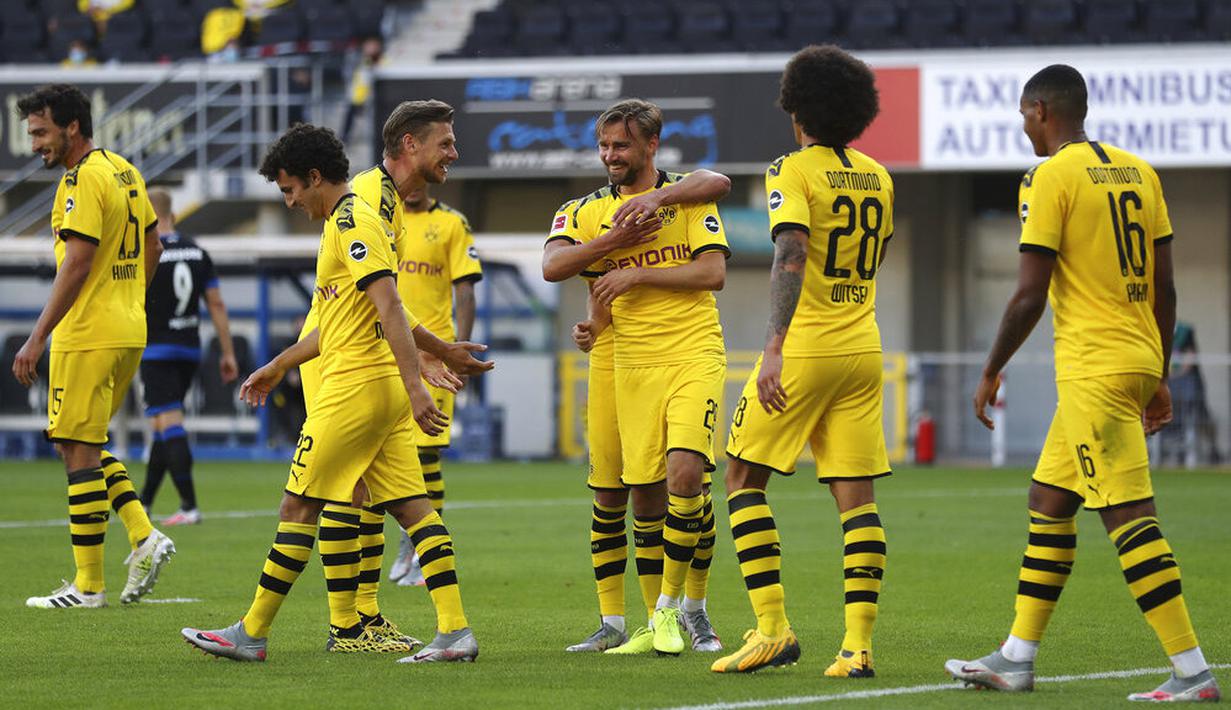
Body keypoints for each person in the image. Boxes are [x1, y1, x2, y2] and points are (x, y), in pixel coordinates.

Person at [945, 64, 1221, 703]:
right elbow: (1167, 287)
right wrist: (1154, 371)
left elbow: (1028, 294)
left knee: (1129, 517)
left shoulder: (1048, 178)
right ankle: (1017, 657)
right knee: (1050, 502)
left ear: (1041, 110)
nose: (1022, 127)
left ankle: (1193, 671)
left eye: (1022, 115)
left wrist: (991, 369)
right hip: (1132, 360)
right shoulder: (1140, 172)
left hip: (1094, 370)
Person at [181, 123, 480, 664]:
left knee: (298, 503)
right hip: (377, 384)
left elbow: (390, 305)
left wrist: (418, 384)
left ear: (315, 178)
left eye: (290, 189)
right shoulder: (370, 214)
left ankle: (251, 632)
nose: (291, 201)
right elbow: (352, 315)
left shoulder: (352, 218)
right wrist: (277, 364)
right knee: (415, 509)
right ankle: (455, 631)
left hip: (355, 387)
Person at [711, 45, 893, 677]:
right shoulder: (878, 175)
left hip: (807, 350)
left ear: (798, 107)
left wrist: (773, 347)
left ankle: (772, 630)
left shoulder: (791, 168)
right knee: (857, 499)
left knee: (740, 478)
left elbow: (790, 254)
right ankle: (857, 647)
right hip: (863, 346)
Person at [302, 100, 493, 654]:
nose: (455, 153)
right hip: (359, 364)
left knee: (354, 495)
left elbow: (402, 304)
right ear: (410, 144)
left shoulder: (420, 216)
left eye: (292, 189)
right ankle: (362, 620)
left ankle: (351, 623)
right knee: (358, 496)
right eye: (447, 143)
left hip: (384, 365)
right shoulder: (365, 201)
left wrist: (438, 354)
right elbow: (354, 307)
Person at [542, 99, 730, 656]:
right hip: (619, 360)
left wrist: (639, 266)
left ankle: (684, 610)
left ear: (651, 144)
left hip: (692, 349)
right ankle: (628, 622)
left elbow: (714, 270)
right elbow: (554, 266)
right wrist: (612, 248)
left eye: (620, 145)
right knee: (621, 497)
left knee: (686, 476)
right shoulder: (583, 210)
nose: (609, 155)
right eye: (603, 145)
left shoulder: (687, 198)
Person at [12, 83, 175, 609]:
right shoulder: (124, 170)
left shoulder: (79, 181)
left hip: (87, 334)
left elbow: (78, 261)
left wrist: (37, 336)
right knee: (80, 443)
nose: (36, 143)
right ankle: (143, 534)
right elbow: (154, 243)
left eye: (41, 132)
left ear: (72, 127)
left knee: (76, 448)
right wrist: (130, 299)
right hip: (128, 328)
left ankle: (89, 585)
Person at [387, 184, 482, 587]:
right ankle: (410, 540)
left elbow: (465, 289)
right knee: (391, 454)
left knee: (426, 455)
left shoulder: (451, 223)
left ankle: (425, 552)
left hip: (434, 353)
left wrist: (456, 349)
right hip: (387, 350)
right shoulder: (383, 219)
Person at [139, 189, 239, 525]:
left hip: (155, 350)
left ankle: (189, 505)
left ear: (147, 215)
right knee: (162, 425)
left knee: (169, 423)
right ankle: (145, 503)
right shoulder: (197, 252)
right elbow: (217, 304)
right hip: (189, 349)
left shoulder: (148, 251)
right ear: (174, 214)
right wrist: (227, 352)